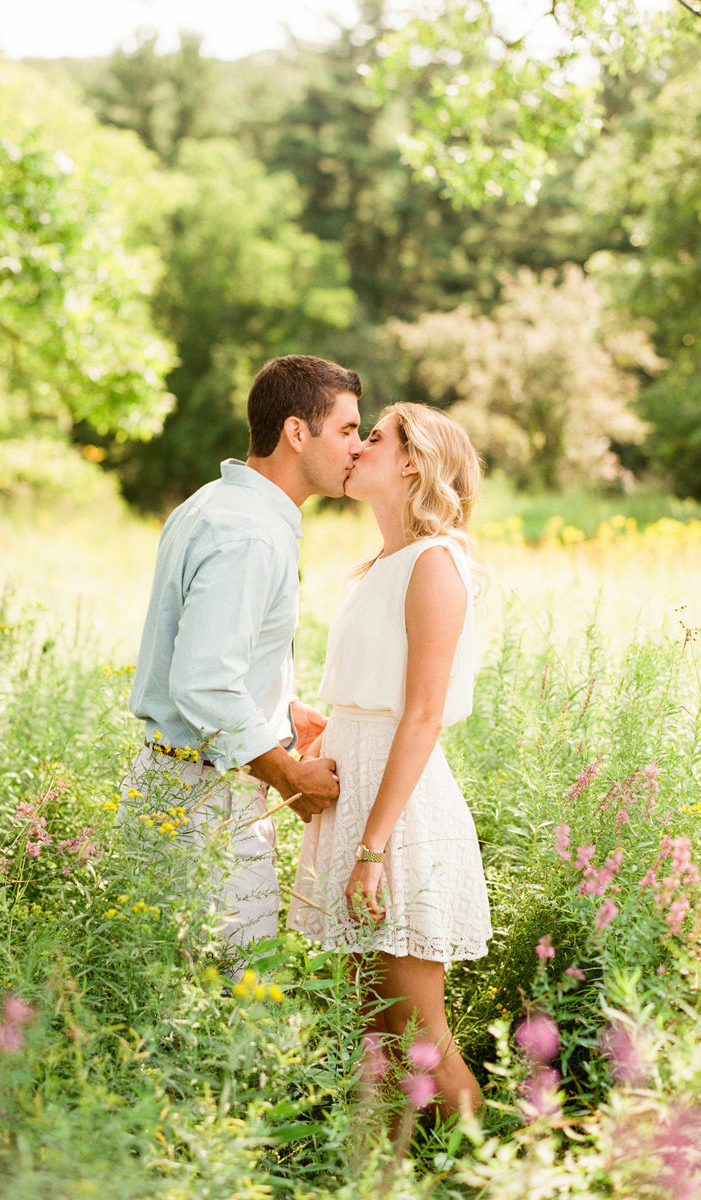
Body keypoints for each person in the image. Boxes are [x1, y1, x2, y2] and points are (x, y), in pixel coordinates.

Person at [287, 401, 492, 1117]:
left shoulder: (434, 563)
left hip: (395, 818)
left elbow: (423, 714)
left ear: (411, 461)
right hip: (356, 799)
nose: (355, 448)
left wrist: (372, 848)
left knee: (419, 1041)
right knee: (372, 1036)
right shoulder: (379, 565)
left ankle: (506, 1175)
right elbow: (371, 697)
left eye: (371, 438)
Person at [125, 354, 364, 962]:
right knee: (224, 1006)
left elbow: (212, 652)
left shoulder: (216, 504)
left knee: (175, 1005)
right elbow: (205, 682)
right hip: (205, 802)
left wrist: (280, 708)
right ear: (295, 431)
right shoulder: (251, 534)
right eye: (346, 430)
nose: (356, 448)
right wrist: (287, 770)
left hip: (179, 785)